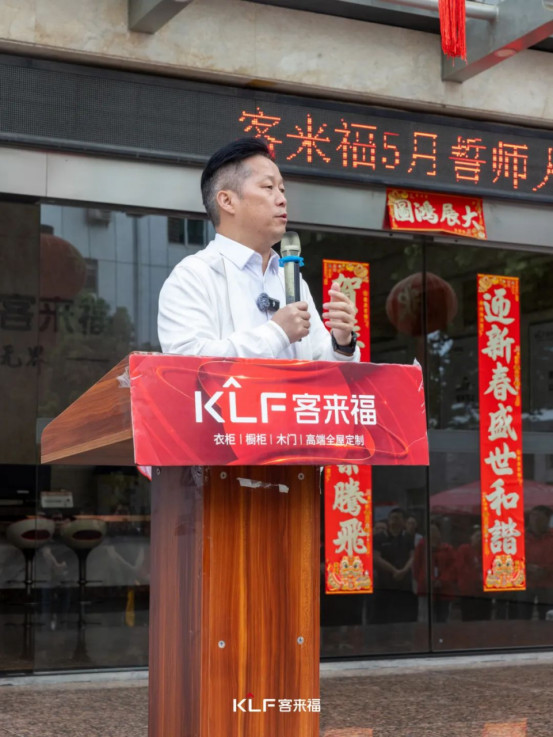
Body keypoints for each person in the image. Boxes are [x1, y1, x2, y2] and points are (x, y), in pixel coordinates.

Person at [158, 137, 359, 361]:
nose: (282, 199)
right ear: (227, 201)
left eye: (282, 189)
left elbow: (321, 365)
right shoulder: (193, 276)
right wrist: (277, 333)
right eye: (268, 187)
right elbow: (186, 364)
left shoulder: (291, 279)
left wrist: (342, 344)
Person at [372, 507, 417, 624]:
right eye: (392, 518)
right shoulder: (379, 538)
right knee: (383, 619)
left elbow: (413, 556)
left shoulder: (408, 538)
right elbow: (376, 557)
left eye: (397, 518)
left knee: (404, 618)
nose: (394, 521)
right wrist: (394, 571)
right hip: (384, 585)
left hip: (404, 585)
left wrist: (404, 571)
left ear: (403, 521)